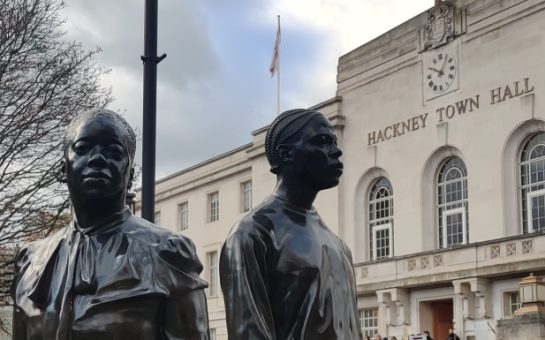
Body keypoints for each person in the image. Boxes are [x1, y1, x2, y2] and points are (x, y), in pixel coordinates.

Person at [11, 109, 209, 340]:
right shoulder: (31, 261)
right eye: (83, 148)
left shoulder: (167, 253)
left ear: (130, 174)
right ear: (63, 168)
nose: (97, 159)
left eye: (114, 152)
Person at [220, 109, 362, 339]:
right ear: (286, 154)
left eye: (334, 142)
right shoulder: (252, 233)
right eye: (322, 142)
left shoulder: (339, 245)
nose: (336, 151)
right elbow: (249, 333)